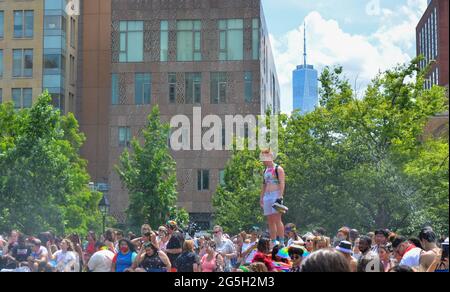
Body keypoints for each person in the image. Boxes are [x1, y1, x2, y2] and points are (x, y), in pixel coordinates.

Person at [260, 149, 286, 247]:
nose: (263, 160)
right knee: (270, 220)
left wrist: (280, 196)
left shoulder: (278, 168)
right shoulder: (265, 170)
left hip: (276, 195)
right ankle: (273, 241)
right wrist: (261, 197)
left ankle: (282, 241)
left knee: (277, 219)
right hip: (267, 196)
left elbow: (282, 182)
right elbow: (263, 185)